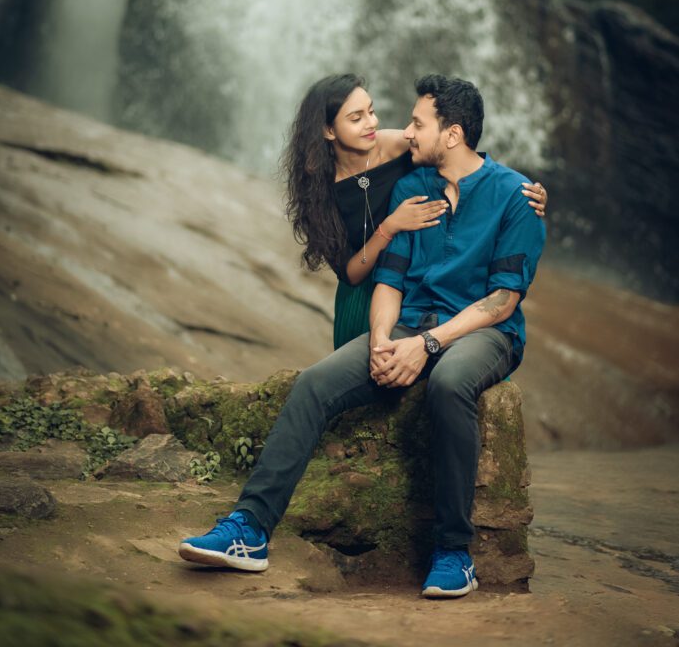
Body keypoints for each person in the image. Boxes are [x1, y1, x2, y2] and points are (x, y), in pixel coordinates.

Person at [179, 75, 547, 598]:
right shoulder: (410, 189)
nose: (400, 128)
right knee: (313, 383)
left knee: (449, 386)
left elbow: (503, 300)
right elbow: (387, 280)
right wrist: (379, 340)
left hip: (482, 331)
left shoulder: (515, 195)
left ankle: (453, 552)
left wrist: (428, 345)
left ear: (452, 134)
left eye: (417, 123)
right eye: (364, 116)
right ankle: (249, 530)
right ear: (328, 131)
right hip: (401, 320)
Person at [281, 73, 547, 349]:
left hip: (415, 284)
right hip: (364, 297)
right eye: (356, 118)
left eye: (371, 111)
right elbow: (350, 274)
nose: (371, 123)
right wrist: (390, 227)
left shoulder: (398, 145)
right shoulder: (318, 188)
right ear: (329, 130)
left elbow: (457, 155)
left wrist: (519, 189)